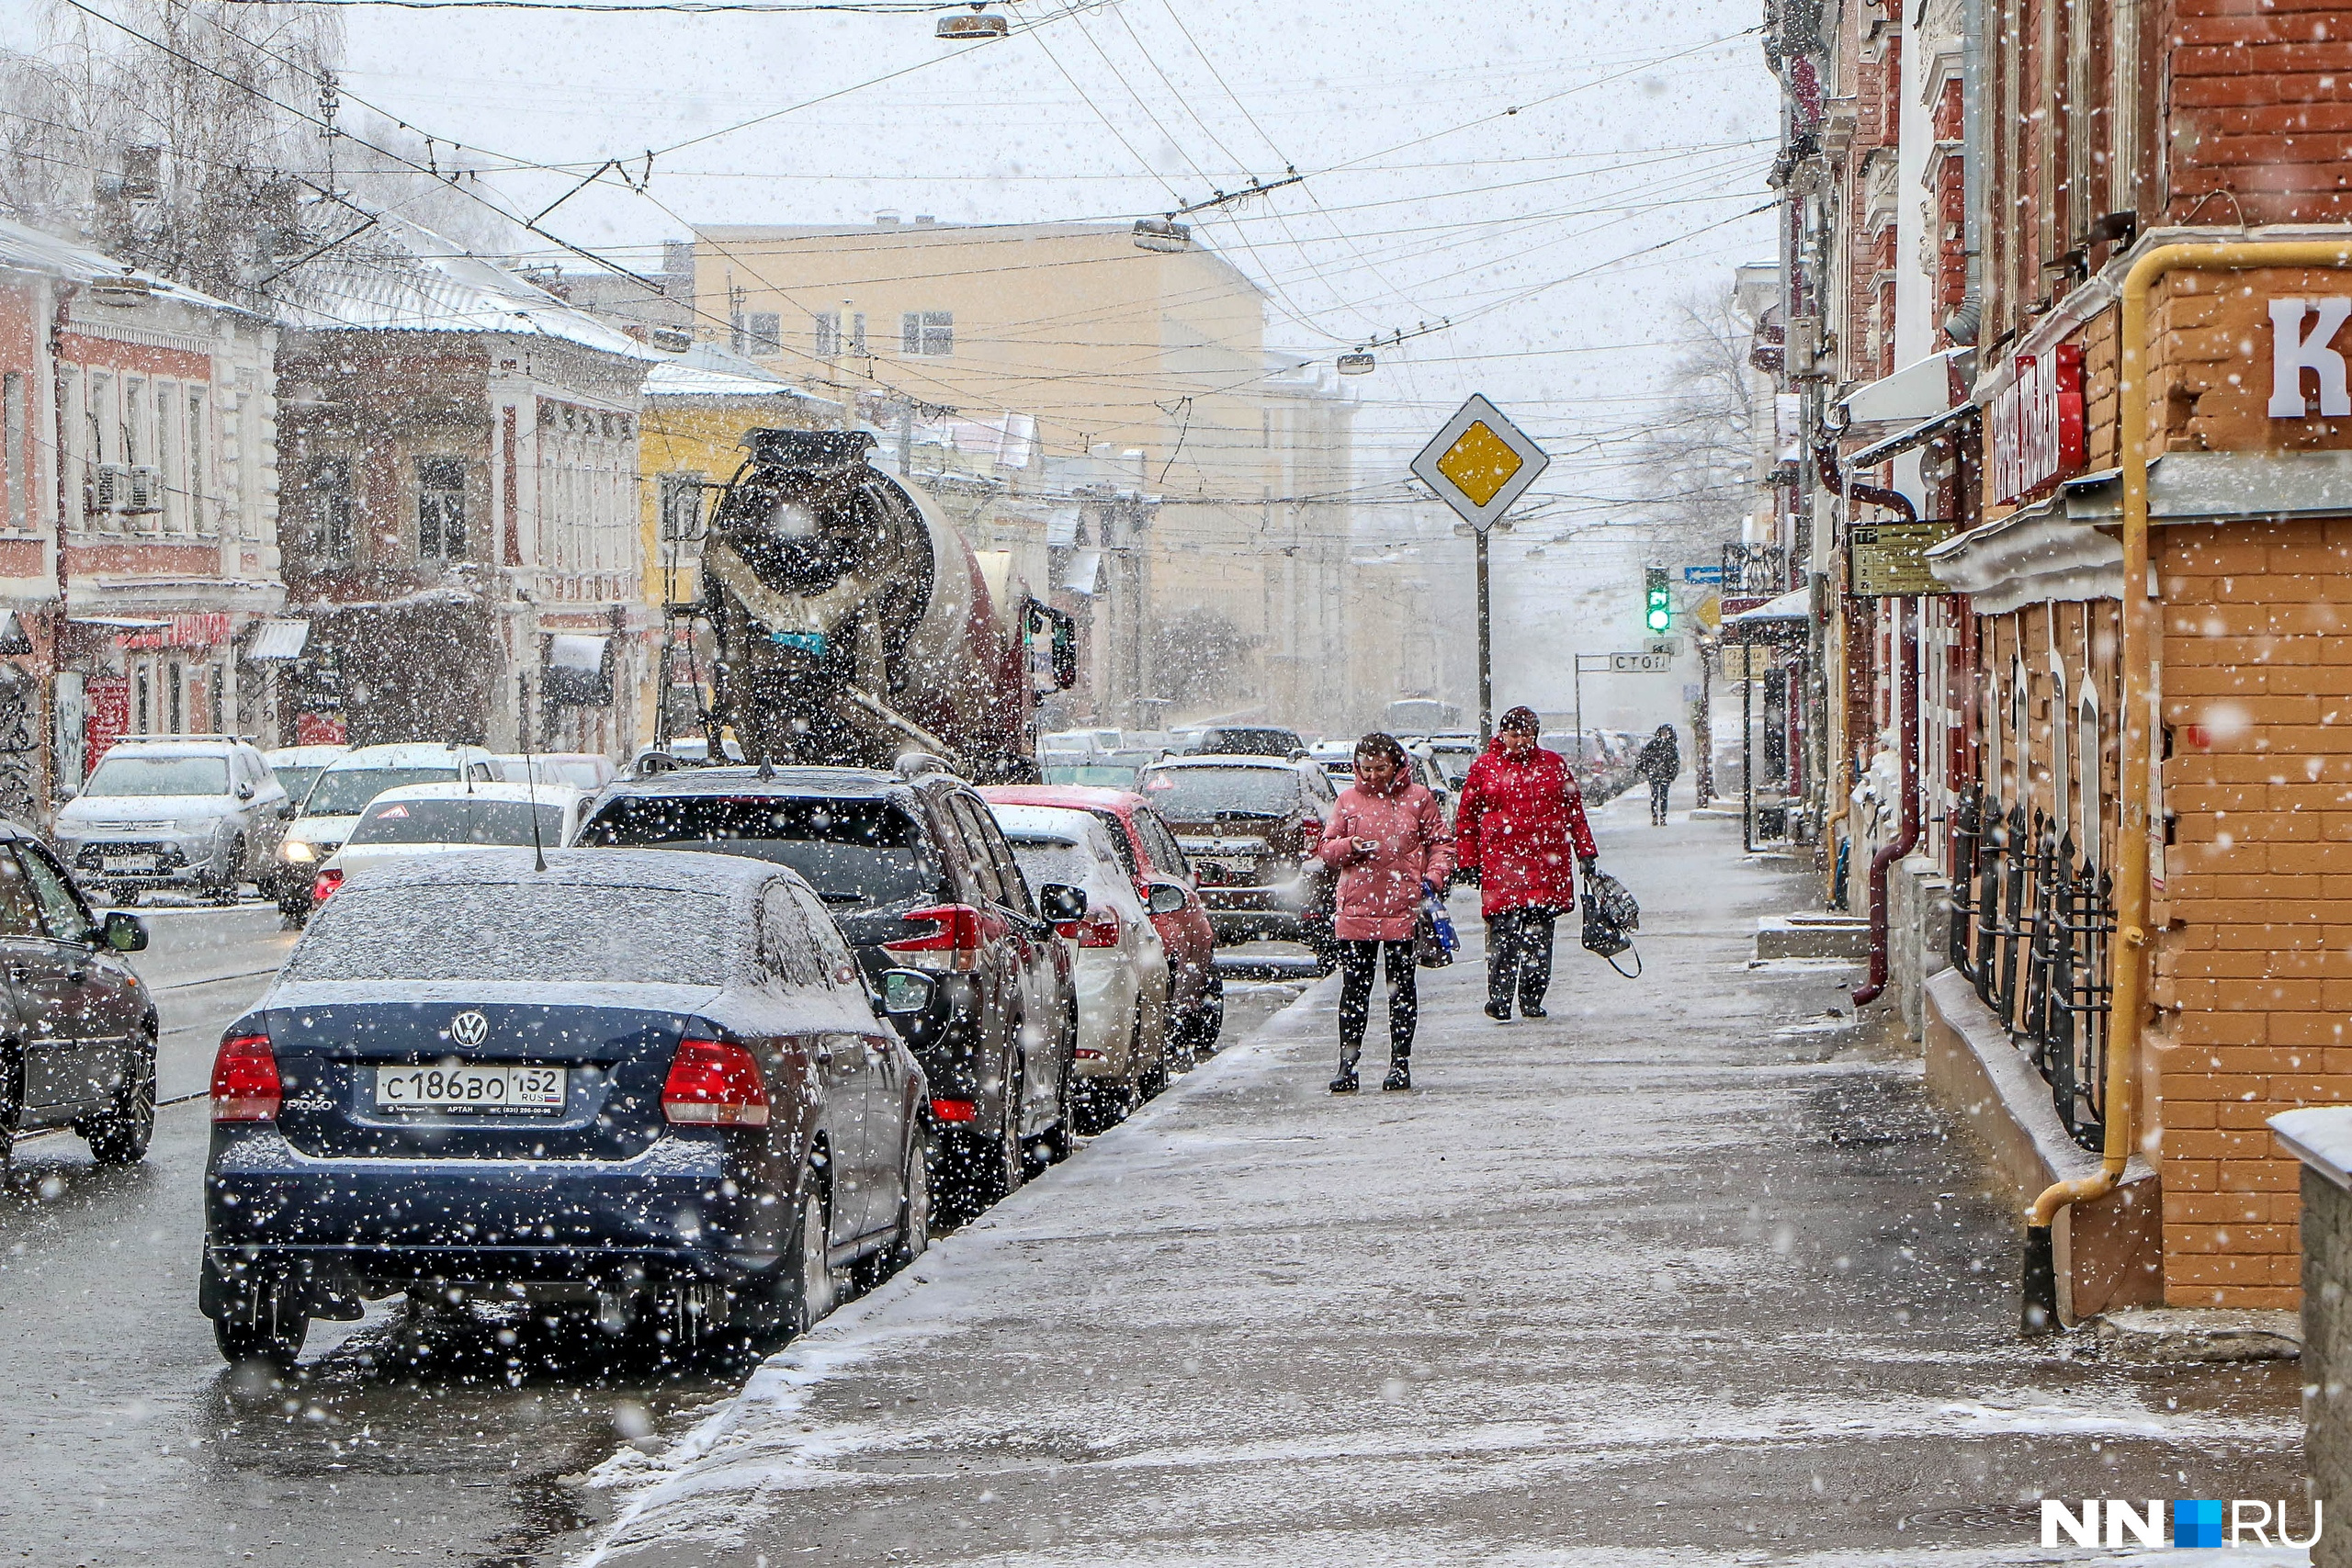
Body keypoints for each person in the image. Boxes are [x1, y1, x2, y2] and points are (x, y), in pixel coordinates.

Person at [1314, 731, 1453, 1093]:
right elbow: (1326, 849)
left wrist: (1433, 878)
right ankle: (1347, 1064)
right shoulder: (1347, 801)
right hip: (1357, 911)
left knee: (1402, 991)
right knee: (1354, 992)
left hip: (1403, 910)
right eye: (1366, 769)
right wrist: (1349, 846)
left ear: (1396, 765)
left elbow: (1441, 845)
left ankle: (1400, 1063)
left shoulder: (1419, 799)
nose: (1373, 776)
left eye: (1380, 768)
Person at [1453, 705, 1597, 1022]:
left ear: (1536, 735)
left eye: (1526, 734)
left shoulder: (1553, 766)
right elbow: (1466, 819)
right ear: (1502, 735)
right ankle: (1501, 998)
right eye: (1514, 734)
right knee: (1504, 938)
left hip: (1545, 867)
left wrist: (1586, 853)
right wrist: (1468, 861)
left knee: (1539, 938)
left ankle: (1532, 998)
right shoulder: (1485, 768)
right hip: (1502, 866)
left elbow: (1574, 812)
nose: (1520, 741)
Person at [1635, 723, 1682, 826]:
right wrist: (1646, 768)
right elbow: (1643, 757)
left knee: (1664, 796)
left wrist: (1672, 774)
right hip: (1655, 774)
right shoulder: (1654, 744)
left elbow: (1675, 762)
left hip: (1664, 775)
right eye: (1663, 732)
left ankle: (1663, 816)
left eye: (1666, 733)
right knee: (1655, 795)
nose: (1664, 734)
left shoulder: (1670, 747)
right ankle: (1655, 816)